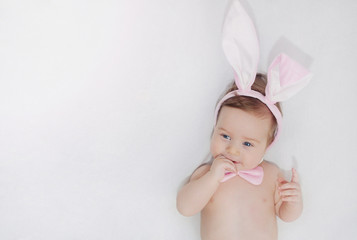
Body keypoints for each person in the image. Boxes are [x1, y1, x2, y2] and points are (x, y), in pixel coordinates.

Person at [176, 1, 311, 239]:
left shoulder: (271, 175)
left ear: (267, 145)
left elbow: (285, 214)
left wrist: (293, 201)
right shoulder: (206, 174)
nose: (232, 149)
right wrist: (213, 178)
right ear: (214, 129)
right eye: (225, 135)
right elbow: (185, 208)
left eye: (247, 144)